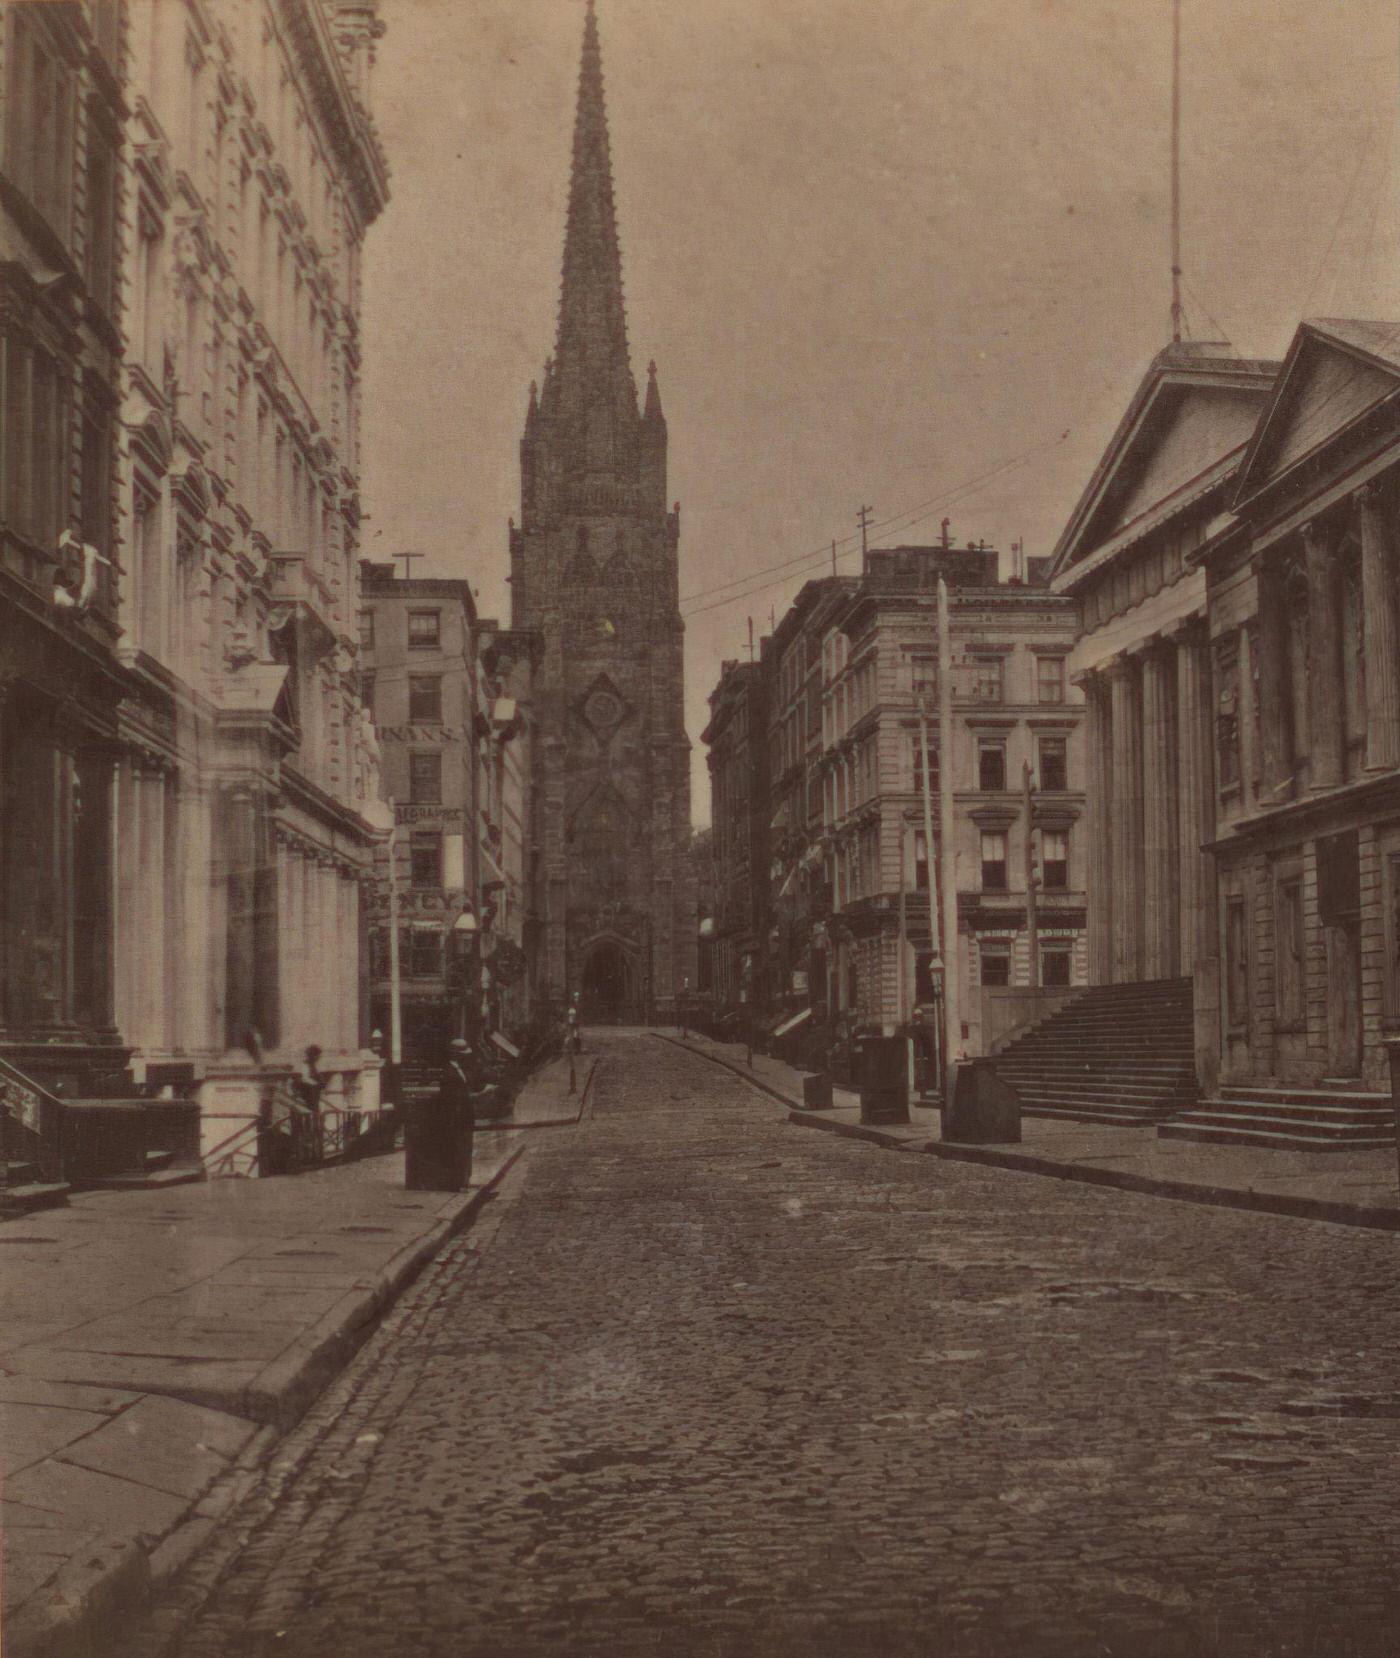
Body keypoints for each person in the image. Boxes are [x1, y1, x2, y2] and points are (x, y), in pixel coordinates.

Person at [406, 1037, 477, 1192]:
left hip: (464, 1117)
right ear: (455, 1055)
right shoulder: (449, 1072)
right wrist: (478, 1095)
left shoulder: (460, 1069)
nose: (466, 1056)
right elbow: (453, 1097)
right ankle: (457, 1183)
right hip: (455, 1118)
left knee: (464, 1149)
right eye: (462, 1053)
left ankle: (462, 1180)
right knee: (457, 1150)